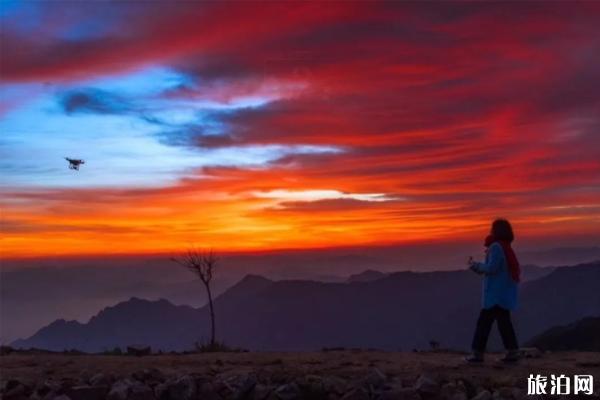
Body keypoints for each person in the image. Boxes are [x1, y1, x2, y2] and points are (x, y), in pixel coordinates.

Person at [466, 218, 521, 363]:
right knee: (503, 323)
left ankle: (477, 354)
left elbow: (492, 268)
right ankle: (512, 352)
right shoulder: (506, 246)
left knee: (484, 323)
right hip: (502, 293)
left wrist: (476, 266)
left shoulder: (496, 247)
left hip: (495, 295)